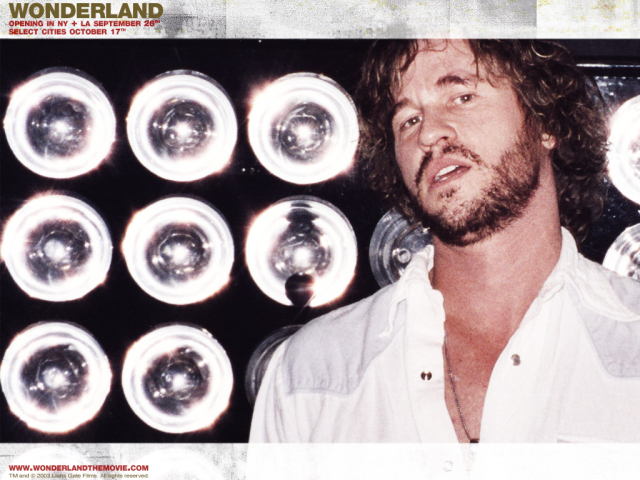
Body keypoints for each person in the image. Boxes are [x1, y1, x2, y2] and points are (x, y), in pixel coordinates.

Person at [249, 40, 640, 443]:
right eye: (408, 120)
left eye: (462, 96)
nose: (429, 133)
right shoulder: (310, 377)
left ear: (545, 122)